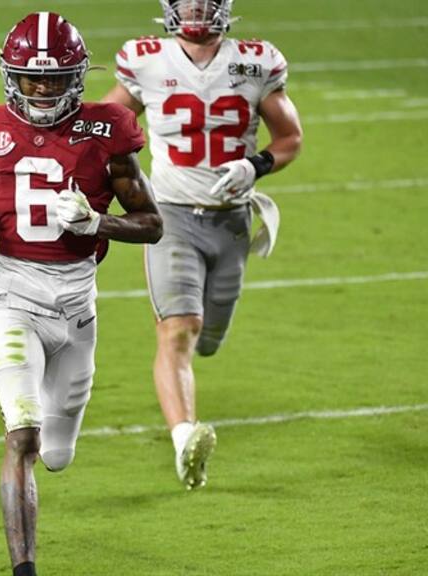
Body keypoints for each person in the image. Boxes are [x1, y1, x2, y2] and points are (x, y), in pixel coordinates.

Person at [0, 12, 162, 576]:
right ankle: (24, 568)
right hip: (12, 296)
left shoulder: (109, 129)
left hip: (76, 307)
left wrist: (96, 223)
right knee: (22, 434)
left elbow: (151, 223)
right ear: (11, 77)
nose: (43, 88)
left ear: (77, 77)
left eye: (54, 78)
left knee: (56, 454)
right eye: (31, 78)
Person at [102, 0, 303, 490]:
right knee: (178, 329)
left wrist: (254, 165)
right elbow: (104, 127)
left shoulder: (256, 61)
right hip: (169, 215)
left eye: (203, 3)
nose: (195, 12)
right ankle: (184, 438)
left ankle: (186, 414)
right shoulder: (145, 59)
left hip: (230, 220)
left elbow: (290, 137)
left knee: (206, 337)